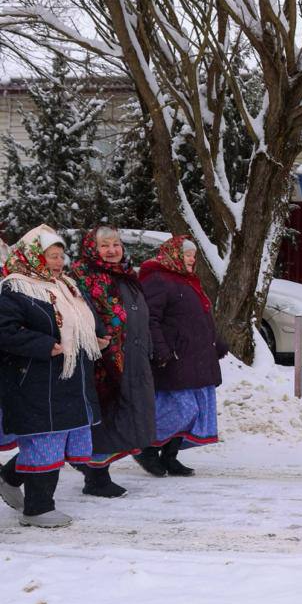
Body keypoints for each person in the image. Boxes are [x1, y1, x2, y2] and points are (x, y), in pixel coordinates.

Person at [0, 226, 106, 527]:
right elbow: (5, 331)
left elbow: (85, 320)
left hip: (70, 380)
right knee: (44, 442)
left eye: (61, 256)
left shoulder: (66, 285)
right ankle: (38, 509)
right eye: (51, 256)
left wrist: (95, 337)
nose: (59, 263)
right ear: (33, 256)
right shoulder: (16, 288)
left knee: (57, 443)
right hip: (35, 381)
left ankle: (8, 477)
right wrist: (45, 345)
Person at [70, 226, 156, 498]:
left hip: (132, 357)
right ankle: (95, 476)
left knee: (124, 415)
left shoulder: (125, 275)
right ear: (91, 248)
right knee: (105, 417)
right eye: (104, 245)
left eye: (116, 244)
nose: (112, 250)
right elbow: (81, 316)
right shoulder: (84, 277)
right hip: (102, 362)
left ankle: (95, 470)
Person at [138, 235, 226, 477]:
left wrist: (216, 343)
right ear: (173, 254)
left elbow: (199, 318)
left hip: (196, 357)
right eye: (187, 254)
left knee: (195, 409)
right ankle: (144, 447)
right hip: (174, 358)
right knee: (181, 409)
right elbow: (150, 319)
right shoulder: (157, 279)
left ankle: (169, 456)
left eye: (193, 256)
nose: (191, 259)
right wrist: (160, 349)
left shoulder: (188, 281)